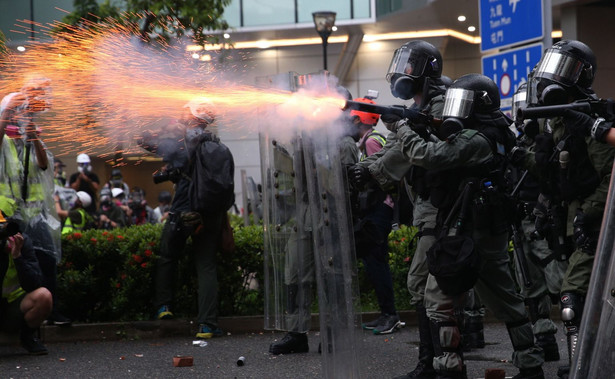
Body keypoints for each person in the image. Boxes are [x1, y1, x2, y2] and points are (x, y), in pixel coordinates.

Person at [387, 73, 545, 378]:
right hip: (488, 229)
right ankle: (530, 364)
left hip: (468, 230)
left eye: (462, 103)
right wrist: (422, 126)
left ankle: (450, 368)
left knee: (437, 298)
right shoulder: (494, 131)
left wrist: (402, 128)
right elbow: (451, 152)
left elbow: (428, 156)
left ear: (477, 106)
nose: (455, 110)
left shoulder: (475, 138)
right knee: (506, 301)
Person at [349, 40, 452, 377]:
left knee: (427, 286)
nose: (402, 72)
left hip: (444, 207)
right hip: (429, 208)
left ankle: (438, 364)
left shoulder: (440, 106)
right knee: (424, 285)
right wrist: (362, 170)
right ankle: (434, 362)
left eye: (409, 65)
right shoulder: (419, 110)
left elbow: (411, 153)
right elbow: (392, 150)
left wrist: (371, 170)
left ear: (426, 71)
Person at [513, 40, 615, 379]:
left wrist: (588, 213)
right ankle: (588, 362)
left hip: (596, 224)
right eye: (553, 65)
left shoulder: (590, 118)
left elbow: (608, 176)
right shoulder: (558, 122)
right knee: (580, 296)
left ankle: (585, 366)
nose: (553, 76)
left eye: (566, 67)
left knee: (572, 297)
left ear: (582, 76)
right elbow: (555, 174)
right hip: (573, 221)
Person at [148, 99, 232, 339]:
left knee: (167, 257)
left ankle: (164, 307)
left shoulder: (179, 143)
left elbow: (144, 142)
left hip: (183, 211)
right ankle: (207, 325)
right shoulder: (217, 146)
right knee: (206, 266)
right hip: (210, 214)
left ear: (193, 115)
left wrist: (166, 127)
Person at [0, 81, 69, 327]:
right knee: (17, 264)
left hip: (36, 215)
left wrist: (34, 139)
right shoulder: (4, 146)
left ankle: (51, 312)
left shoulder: (31, 142)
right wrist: (7, 112)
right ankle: (26, 317)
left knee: (47, 260)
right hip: (10, 217)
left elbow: (44, 166)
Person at [508, 83, 564, 362]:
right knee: (530, 287)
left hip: (543, 224)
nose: (520, 115)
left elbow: (549, 176)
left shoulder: (548, 143)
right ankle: (545, 341)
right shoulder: (517, 144)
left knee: (561, 282)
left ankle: (580, 343)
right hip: (522, 223)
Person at [349, 96, 401, 334]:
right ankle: (388, 314)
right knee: (374, 260)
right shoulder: (373, 139)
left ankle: (389, 315)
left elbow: (383, 174)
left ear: (360, 120)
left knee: (375, 262)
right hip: (381, 209)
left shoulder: (371, 142)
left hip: (380, 209)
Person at [0, 209, 53, 355]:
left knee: (44, 296)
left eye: (4, 228)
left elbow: (34, 283)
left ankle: (28, 337)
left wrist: (17, 256)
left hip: (14, 307)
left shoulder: (22, 242)